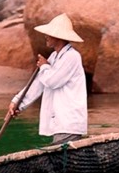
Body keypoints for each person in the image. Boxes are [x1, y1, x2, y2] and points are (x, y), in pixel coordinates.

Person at [5, 13, 87, 145]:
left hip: (69, 121)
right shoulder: (54, 57)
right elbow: (38, 84)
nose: (46, 36)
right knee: (58, 154)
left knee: (61, 154)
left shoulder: (72, 56)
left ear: (58, 36)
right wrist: (17, 102)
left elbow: (53, 81)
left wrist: (44, 66)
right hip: (59, 122)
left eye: (49, 34)